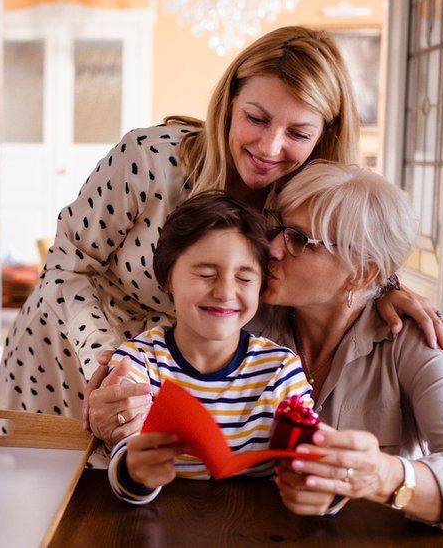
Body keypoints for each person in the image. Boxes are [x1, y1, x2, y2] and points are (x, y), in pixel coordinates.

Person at [0, 25, 443, 424]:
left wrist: (385, 285)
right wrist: (113, 357)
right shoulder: (150, 160)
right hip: (63, 359)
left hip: (177, 383)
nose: (270, 147)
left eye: (298, 133)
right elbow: (67, 266)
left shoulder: (303, 202)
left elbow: (348, 252)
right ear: (229, 101)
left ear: (325, 135)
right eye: (256, 118)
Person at [250, 162, 443, 533]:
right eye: (277, 228)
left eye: (299, 240)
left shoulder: (411, 340)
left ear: (362, 273)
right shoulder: (247, 322)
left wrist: (384, 476)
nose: (273, 248)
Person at [105, 193, 312, 504]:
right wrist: (135, 471)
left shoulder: (280, 370)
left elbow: (310, 457)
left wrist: (318, 484)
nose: (225, 291)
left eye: (244, 277)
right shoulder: (138, 361)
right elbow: (123, 454)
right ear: (167, 279)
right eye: (205, 274)